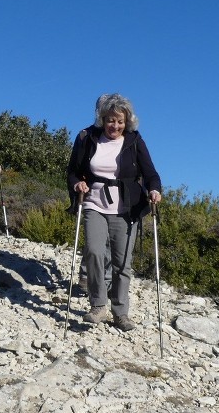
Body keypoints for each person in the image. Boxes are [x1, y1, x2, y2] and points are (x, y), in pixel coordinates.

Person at [66, 93, 161, 332]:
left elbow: (151, 173)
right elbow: (73, 171)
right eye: (110, 120)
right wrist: (78, 183)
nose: (115, 126)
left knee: (122, 263)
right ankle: (98, 306)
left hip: (126, 208)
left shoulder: (135, 141)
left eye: (120, 121)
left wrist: (155, 190)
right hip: (94, 203)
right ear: (102, 119)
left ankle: (121, 313)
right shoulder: (87, 138)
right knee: (95, 253)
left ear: (127, 121)